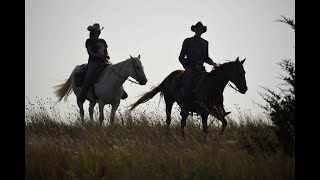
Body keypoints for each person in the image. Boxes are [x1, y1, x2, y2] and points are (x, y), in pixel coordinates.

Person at [78, 23, 127, 103]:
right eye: (97, 31)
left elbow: (106, 52)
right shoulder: (89, 41)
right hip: (93, 61)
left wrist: (107, 56)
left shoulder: (102, 41)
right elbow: (90, 52)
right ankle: (83, 94)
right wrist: (99, 55)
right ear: (93, 31)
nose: (98, 32)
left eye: (99, 31)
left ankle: (121, 91)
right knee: (89, 75)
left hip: (104, 61)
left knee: (115, 71)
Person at [178, 21, 219, 113]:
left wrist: (213, 63)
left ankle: (211, 107)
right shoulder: (187, 41)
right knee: (187, 85)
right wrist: (186, 67)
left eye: (200, 29)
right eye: (197, 28)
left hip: (201, 69)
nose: (199, 30)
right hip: (190, 69)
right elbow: (181, 57)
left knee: (211, 84)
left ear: (202, 31)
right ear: (195, 30)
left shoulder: (205, 43)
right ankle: (184, 108)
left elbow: (206, 57)